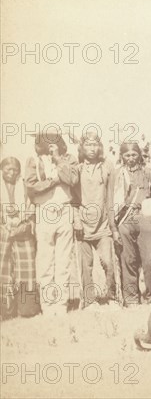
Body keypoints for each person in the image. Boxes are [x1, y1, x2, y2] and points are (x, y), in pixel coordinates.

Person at [24, 132, 80, 315]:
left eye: (54, 139)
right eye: (45, 139)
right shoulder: (34, 160)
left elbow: (72, 179)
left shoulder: (68, 159)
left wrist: (57, 159)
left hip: (64, 210)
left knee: (63, 261)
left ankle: (61, 305)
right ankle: (48, 306)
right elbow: (32, 188)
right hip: (45, 211)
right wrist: (53, 181)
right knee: (45, 260)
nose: (50, 143)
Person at [77, 133, 118, 308]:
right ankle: (89, 301)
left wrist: (112, 225)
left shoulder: (107, 167)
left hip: (103, 224)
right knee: (86, 265)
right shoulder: (77, 168)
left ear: (99, 147)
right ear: (82, 147)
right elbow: (72, 196)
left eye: (95, 145)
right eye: (88, 145)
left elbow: (110, 197)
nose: (92, 149)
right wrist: (75, 219)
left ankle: (111, 297)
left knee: (108, 261)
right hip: (82, 224)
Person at [112, 142, 151, 306]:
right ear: (122, 157)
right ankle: (131, 298)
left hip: (143, 216)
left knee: (149, 259)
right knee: (128, 259)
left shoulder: (147, 173)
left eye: (134, 155)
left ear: (139, 155)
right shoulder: (117, 174)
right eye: (127, 155)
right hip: (124, 219)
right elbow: (111, 201)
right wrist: (113, 228)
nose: (131, 158)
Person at [0, 157, 40, 319]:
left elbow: (32, 207)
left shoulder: (24, 186)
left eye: (15, 169)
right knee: (4, 269)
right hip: (3, 232)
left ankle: (26, 309)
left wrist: (24, 225)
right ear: (2, 170)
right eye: (8, 169)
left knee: (27, 269)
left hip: (23, 232)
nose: (11, 172)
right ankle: (6, 310)